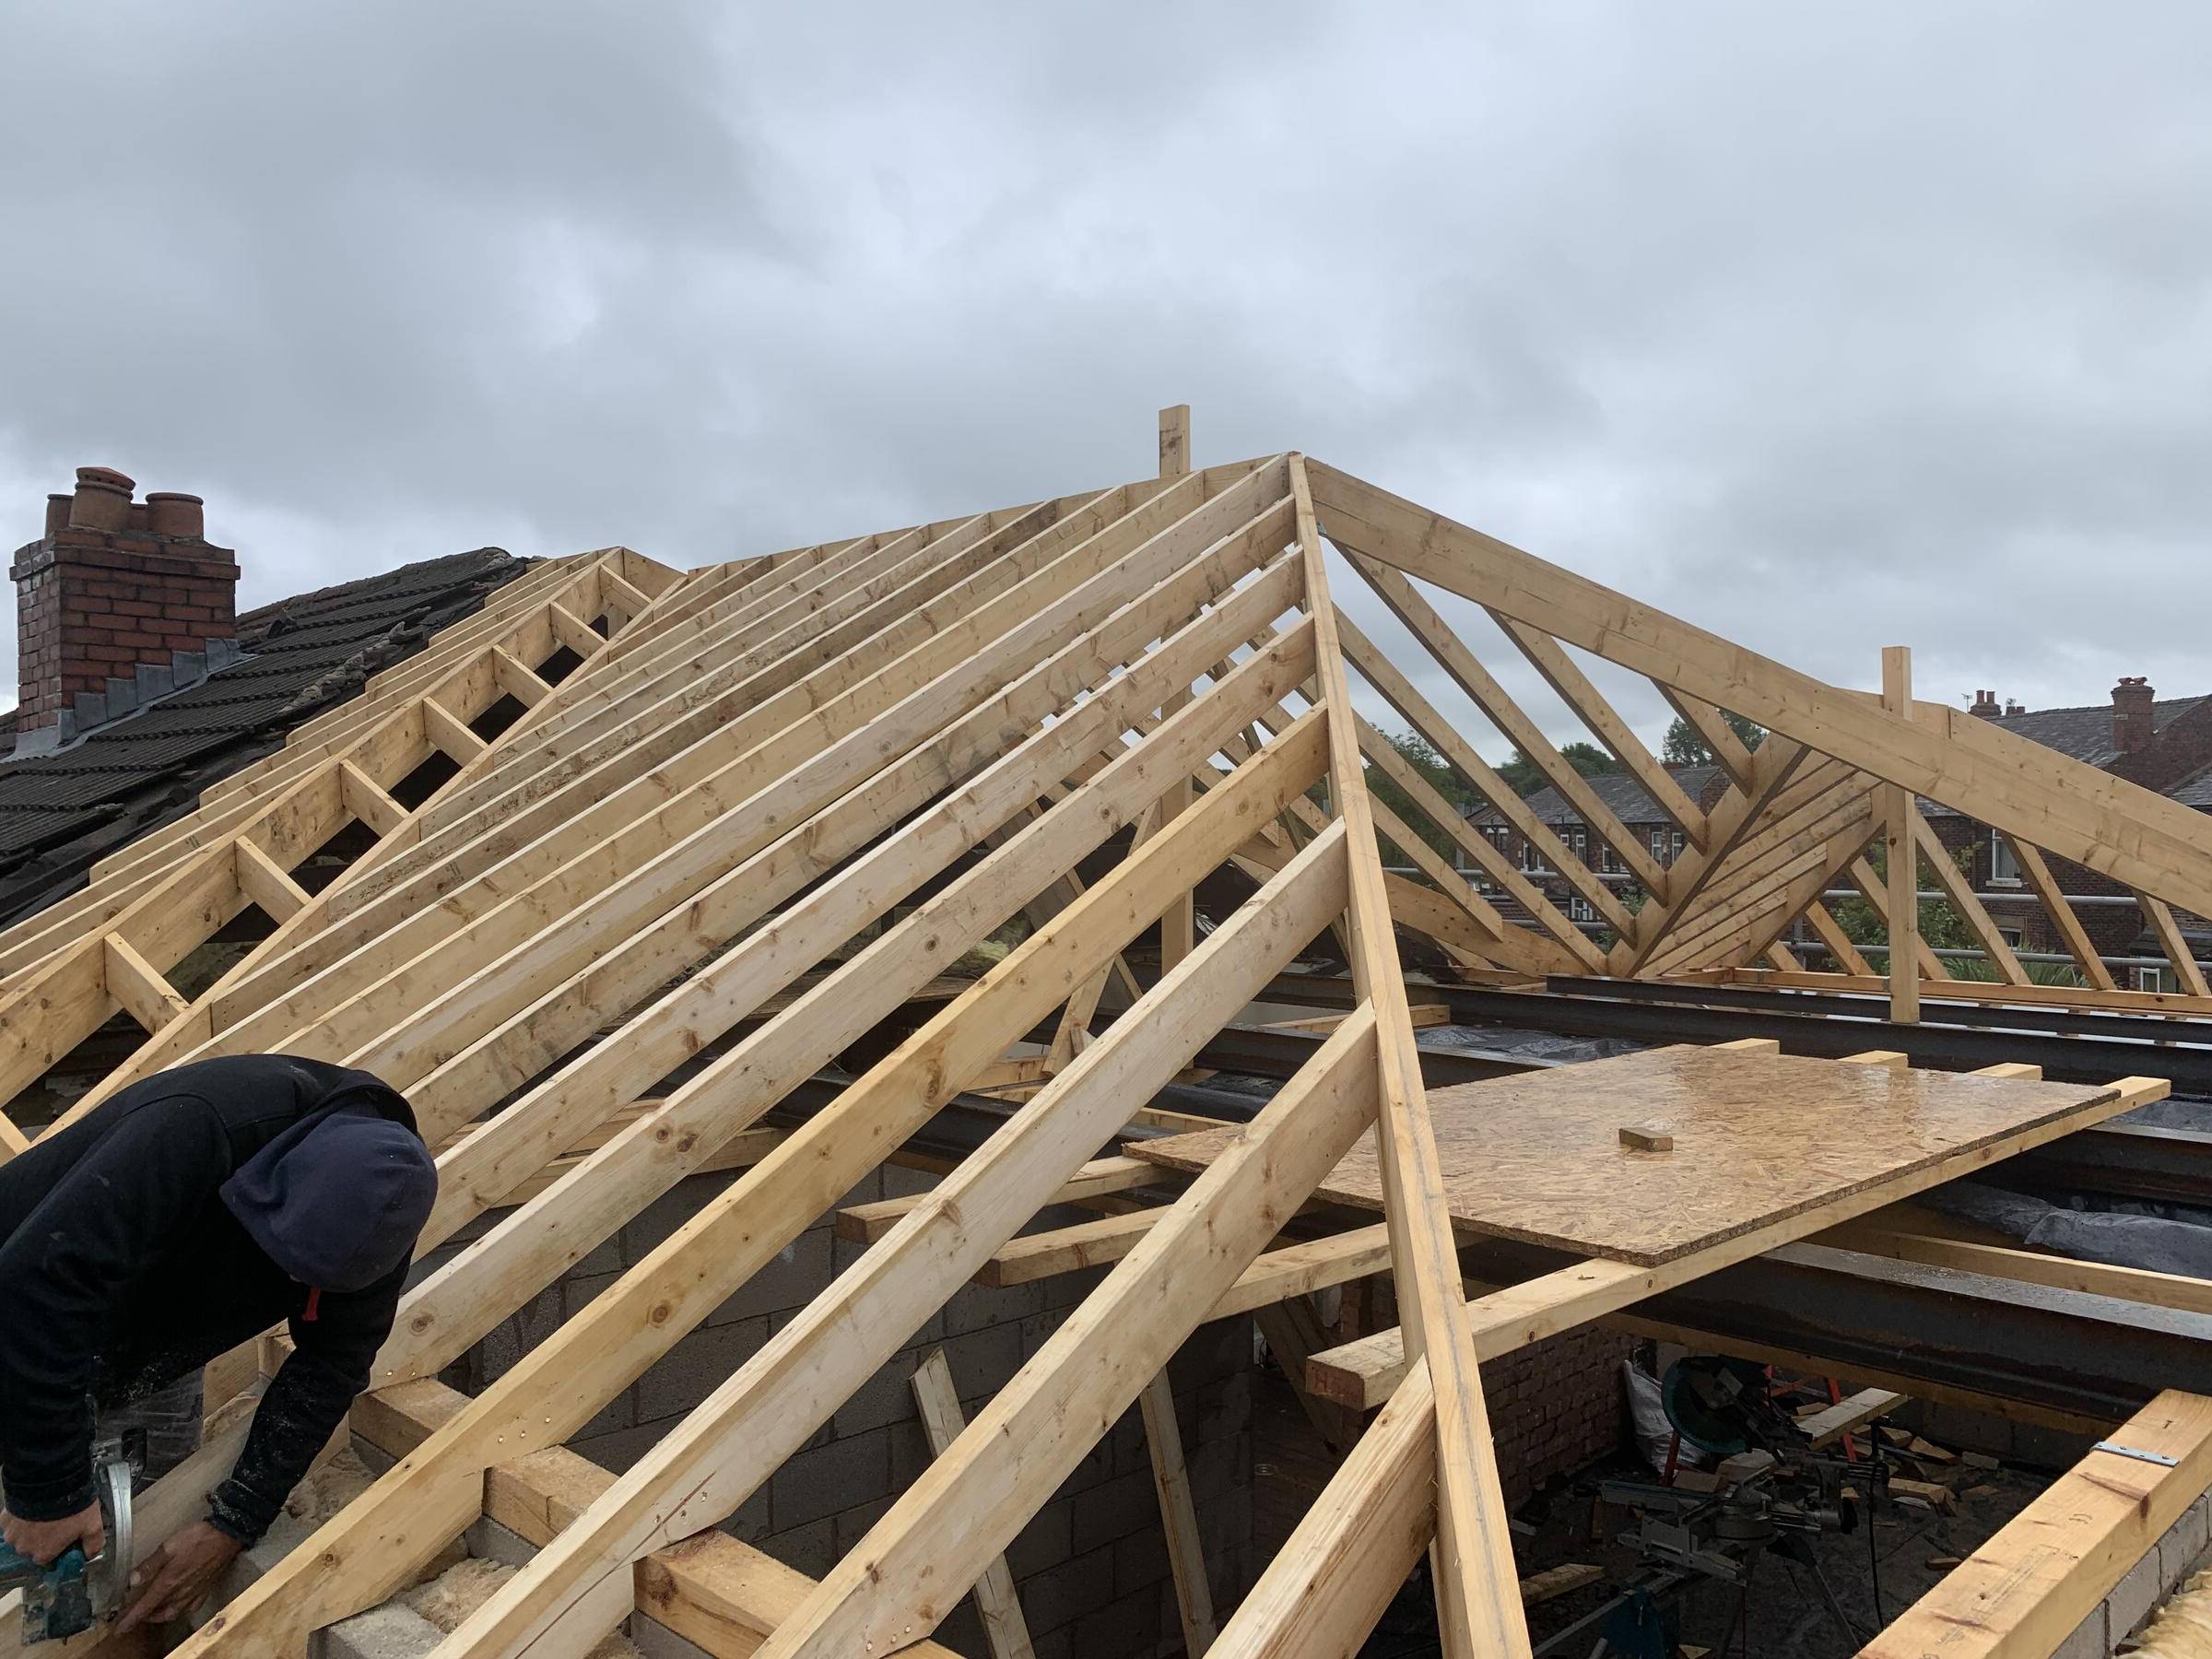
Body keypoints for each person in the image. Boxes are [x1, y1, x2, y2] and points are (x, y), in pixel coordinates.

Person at [0, 1055, 436, 1631]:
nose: (295, 1282)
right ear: (274, 1187)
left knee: (115, 1562)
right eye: (288, 1263)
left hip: (155, 1344)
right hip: (22, 1320)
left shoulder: (381, 1198)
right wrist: (48, 1491)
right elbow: (34, 1287)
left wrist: (235, 1522)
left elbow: (333, 1363)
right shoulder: (198, 1126)